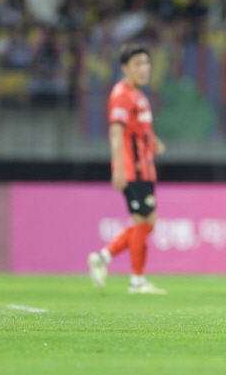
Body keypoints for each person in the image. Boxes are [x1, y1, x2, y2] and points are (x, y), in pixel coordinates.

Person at [87, 43, 166, 295]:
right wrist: (118, 169)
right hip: (134, 170)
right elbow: (115, 132)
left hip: (145, 169)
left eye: (146, 63)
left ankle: (103, 257)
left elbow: (139, 130)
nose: (143, 69)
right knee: (145, 221)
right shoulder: (121, 93)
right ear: (125, 68)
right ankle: (137, 281)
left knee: (146, 222)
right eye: (137, 64)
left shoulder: (139, 95)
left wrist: (153, 142)